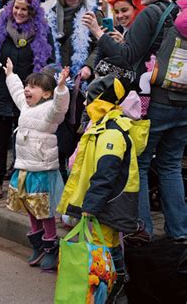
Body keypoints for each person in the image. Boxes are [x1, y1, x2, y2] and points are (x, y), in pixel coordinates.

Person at [82, 0, 187, 242]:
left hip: (154, 103)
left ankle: (142, 233)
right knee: (170, 166)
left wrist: (98, 33)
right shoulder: (181, 14)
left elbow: (126, 56)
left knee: (138, 164)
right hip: (182, 102)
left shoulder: (151, 13)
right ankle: (180, 235)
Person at [57, 74, 148, 303]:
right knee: (109, 245)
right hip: (106, 203)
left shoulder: (111, 133)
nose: (86, 104)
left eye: (90, 99)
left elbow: (105, 175)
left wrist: (90, 207)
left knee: (103, 246)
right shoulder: (104, 127)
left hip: (107, 204)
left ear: (104, 102)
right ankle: (118, 284)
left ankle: (112, 287)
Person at [0, 0, 58, 199]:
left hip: (29, 94)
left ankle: (20, 181)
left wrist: (44, 77)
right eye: (17, 8)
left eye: (25, 10)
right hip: (0, 90)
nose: (19, 13)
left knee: (25, 139)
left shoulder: (42, 31)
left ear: (32, 12)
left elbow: (50, 60)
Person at [5, 59, 70, 270]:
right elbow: (16, 92)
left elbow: (61, 106)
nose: (27, 89)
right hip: (24, 166)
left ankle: (52, 246)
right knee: (29, 206)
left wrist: (61, 87)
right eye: (27, 85)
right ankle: (38, 244)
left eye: (33, 87)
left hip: (42, 168)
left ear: (46, 93)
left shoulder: (51, 109)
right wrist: (11, 74)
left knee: (45, 210)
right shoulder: (25, 105)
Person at [46, 0, 103, 183]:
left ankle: (76, 176)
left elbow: (100, 45)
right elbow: (48, 48)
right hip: (59, 79)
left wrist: (88, 65)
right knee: (58, 127)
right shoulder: (52, 16)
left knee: (76, 126)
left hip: (83, 81)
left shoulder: (91, 13)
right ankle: (59, 174)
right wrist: (53, 69)